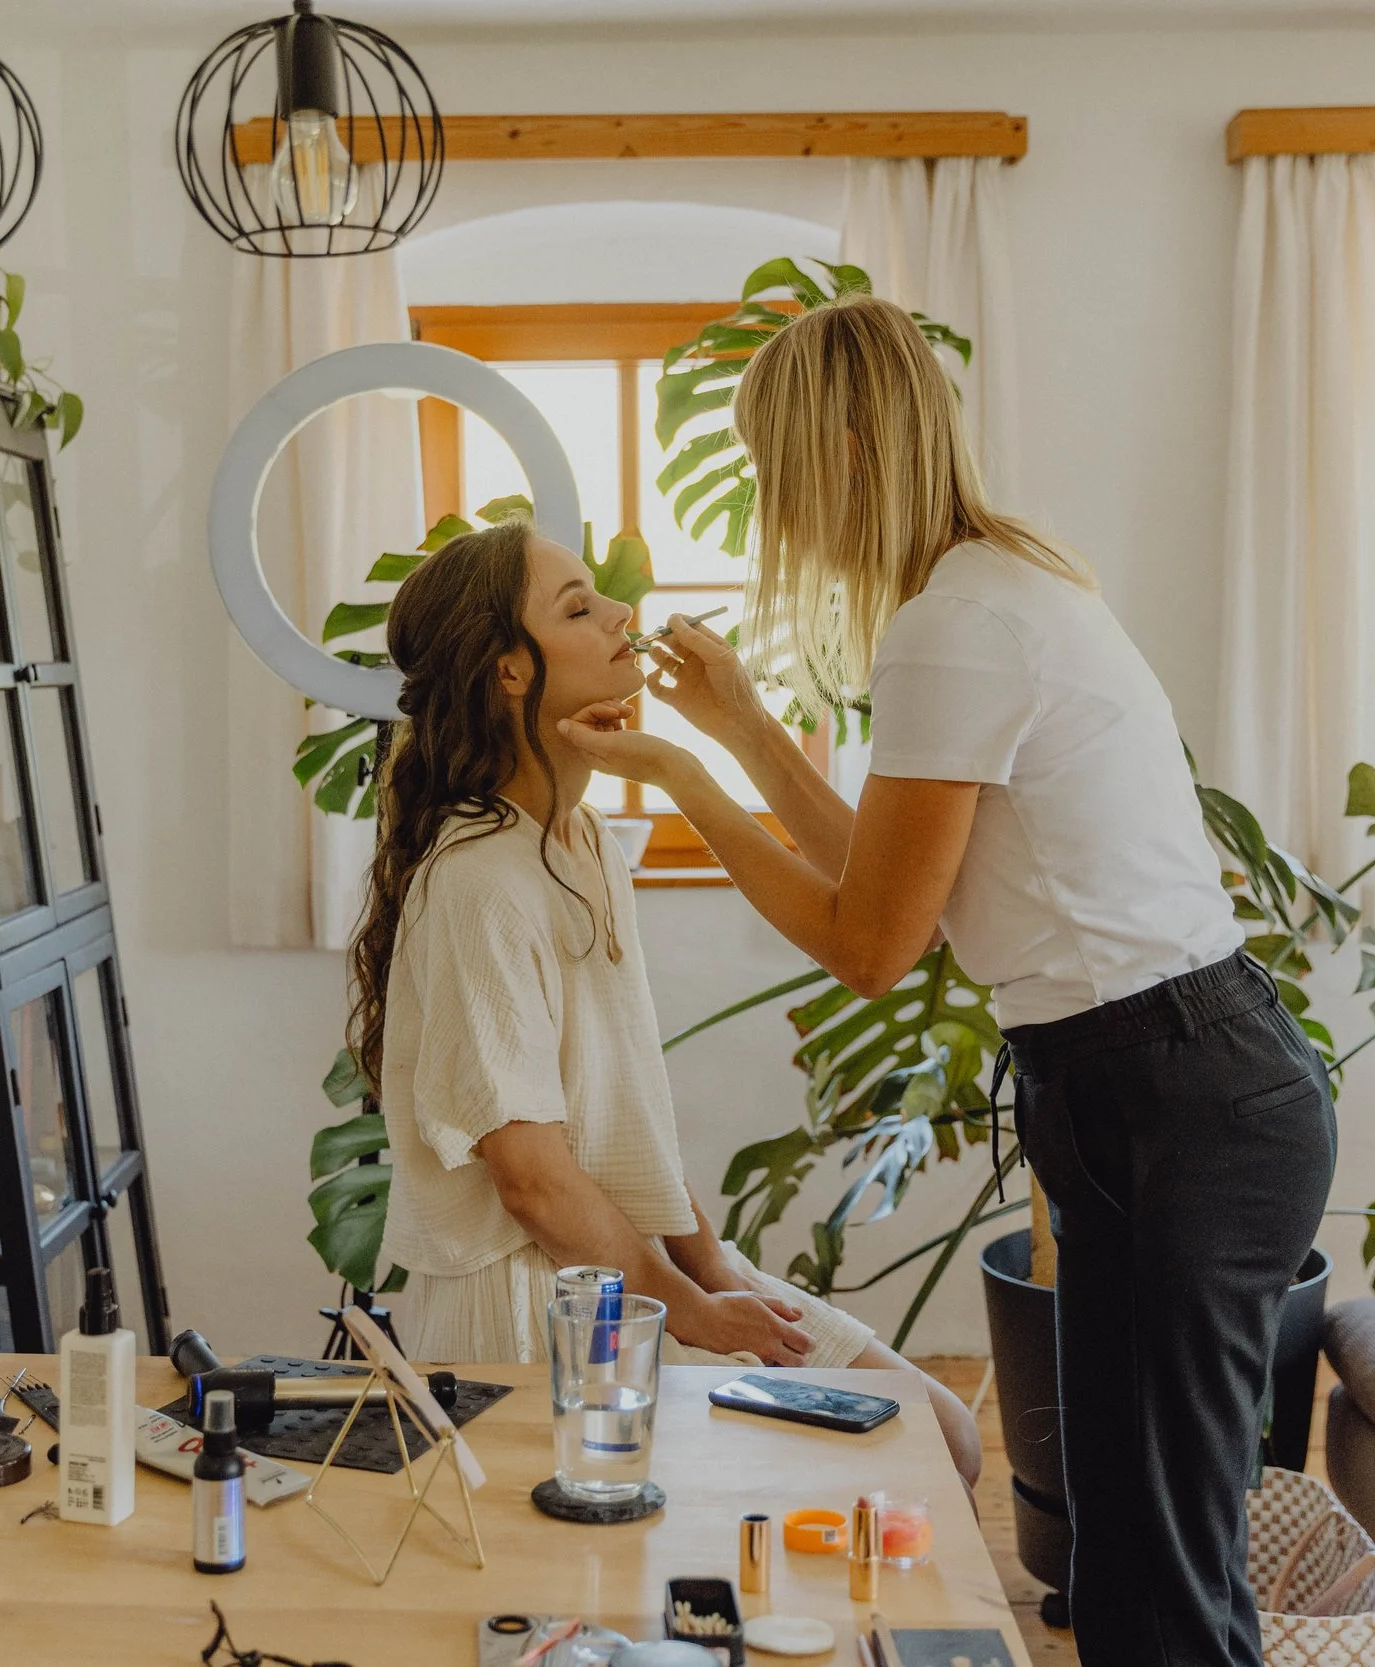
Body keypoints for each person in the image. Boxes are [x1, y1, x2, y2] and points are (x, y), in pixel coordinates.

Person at [559, 294, 1335, 1666]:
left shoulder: (955, 624)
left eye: (776, 465)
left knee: (1157, 1578)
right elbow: (883, 868)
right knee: (1140, 1552)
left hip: (1172, 1093)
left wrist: (685, 781)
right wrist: (740, 724)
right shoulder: (995, 588)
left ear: (848, 452)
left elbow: (871, 946)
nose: (769, 504)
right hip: (1155, 1083)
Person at [345, 515, 982, 1489]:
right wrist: (687, 1305)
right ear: (509, 672)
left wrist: (715, 1270)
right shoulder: (477, 882)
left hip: (627, 1273)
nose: (620, 613)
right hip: (537, 1316)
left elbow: (620, 1126)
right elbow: (533, 1181)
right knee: (923, 1452)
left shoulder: (583, 840)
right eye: (576, 605)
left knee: (943, 1432)